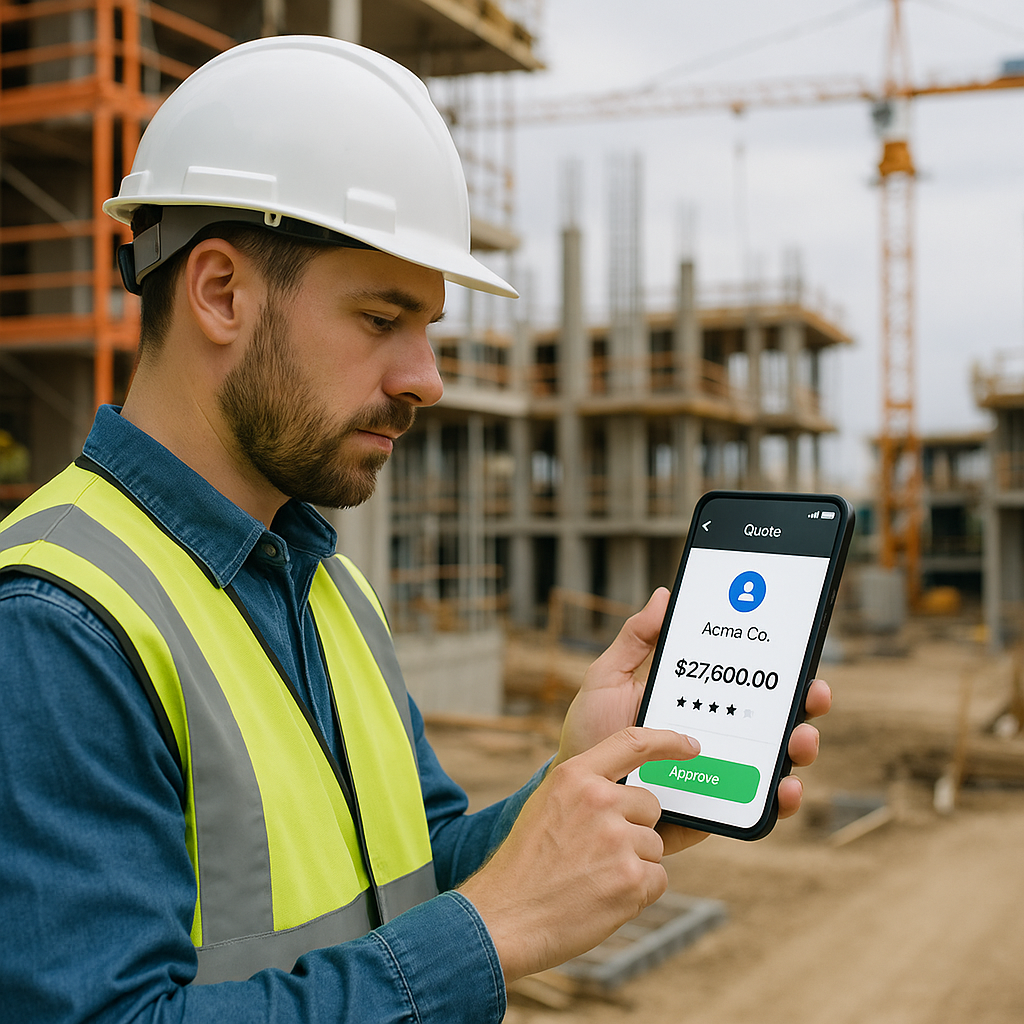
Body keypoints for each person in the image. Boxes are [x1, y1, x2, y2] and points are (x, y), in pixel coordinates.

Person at [0, 36, 831, 1023]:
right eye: (380, 317)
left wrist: (573, 789)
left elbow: (413, 879)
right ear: (220, 292)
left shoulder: (328, 587)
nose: (425, 379)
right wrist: (492, 931)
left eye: (427, 326)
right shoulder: (54, 623)